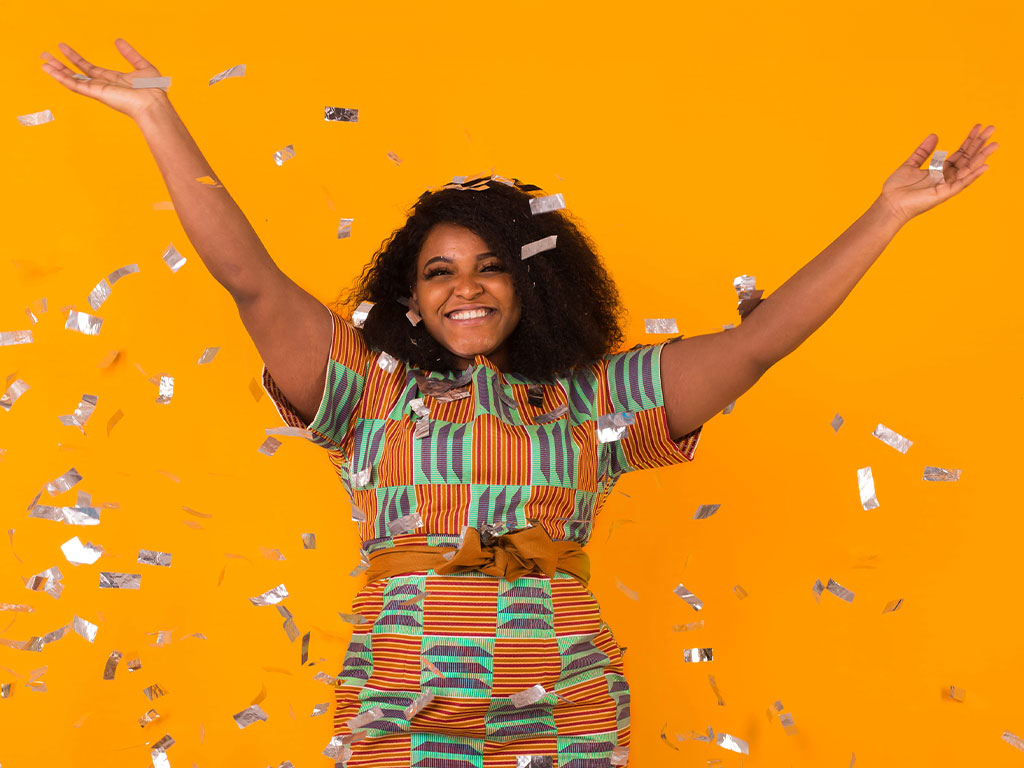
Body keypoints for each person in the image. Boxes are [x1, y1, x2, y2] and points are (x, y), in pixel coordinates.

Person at [41, 38, 997, 767]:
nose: (468, 288)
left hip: (566, 698)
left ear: (533, 284)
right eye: (441, 272)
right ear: (409, 297)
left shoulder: (591, 403)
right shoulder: (369, 392)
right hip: (405, 699)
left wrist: (888, 215)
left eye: (494, 268)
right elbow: (250, 281)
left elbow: (758, 343)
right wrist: (159, 120)